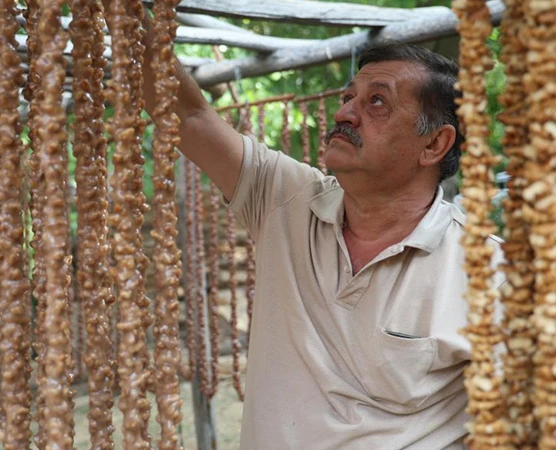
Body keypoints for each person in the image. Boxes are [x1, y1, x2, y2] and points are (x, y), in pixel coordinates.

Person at [134, 10, 496, 446]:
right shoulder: (284, 198)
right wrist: (126, 13)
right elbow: (188, 117)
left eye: (376, 101)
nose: (345, 112)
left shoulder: (488, 270)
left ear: (434, 144)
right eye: (348, 96)